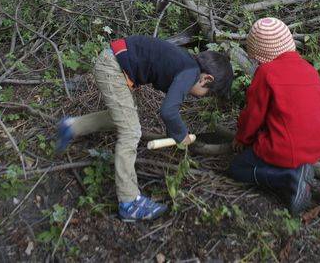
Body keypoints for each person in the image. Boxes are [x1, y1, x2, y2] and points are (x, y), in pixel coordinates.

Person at [56, 35, 233, 222]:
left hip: (112, 61)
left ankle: (71, 126)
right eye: (207, 94)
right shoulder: (190, 73)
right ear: (206, 79)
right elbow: (168, 111)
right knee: (131, 131)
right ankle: (129, 202)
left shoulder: (185, 63)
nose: (200, 97)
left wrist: (173, 132)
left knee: (123, 116)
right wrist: (181, 136)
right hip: (113, 67)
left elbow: (169, 110)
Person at [229, 17, 320, 215]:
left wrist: (242, 138)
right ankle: (298, 170)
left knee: (237, 168)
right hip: (316, 144)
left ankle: (289, 177)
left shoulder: (266, 72)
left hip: (286, 148)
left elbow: (253, 115)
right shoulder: (309, 69)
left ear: (259, 53)